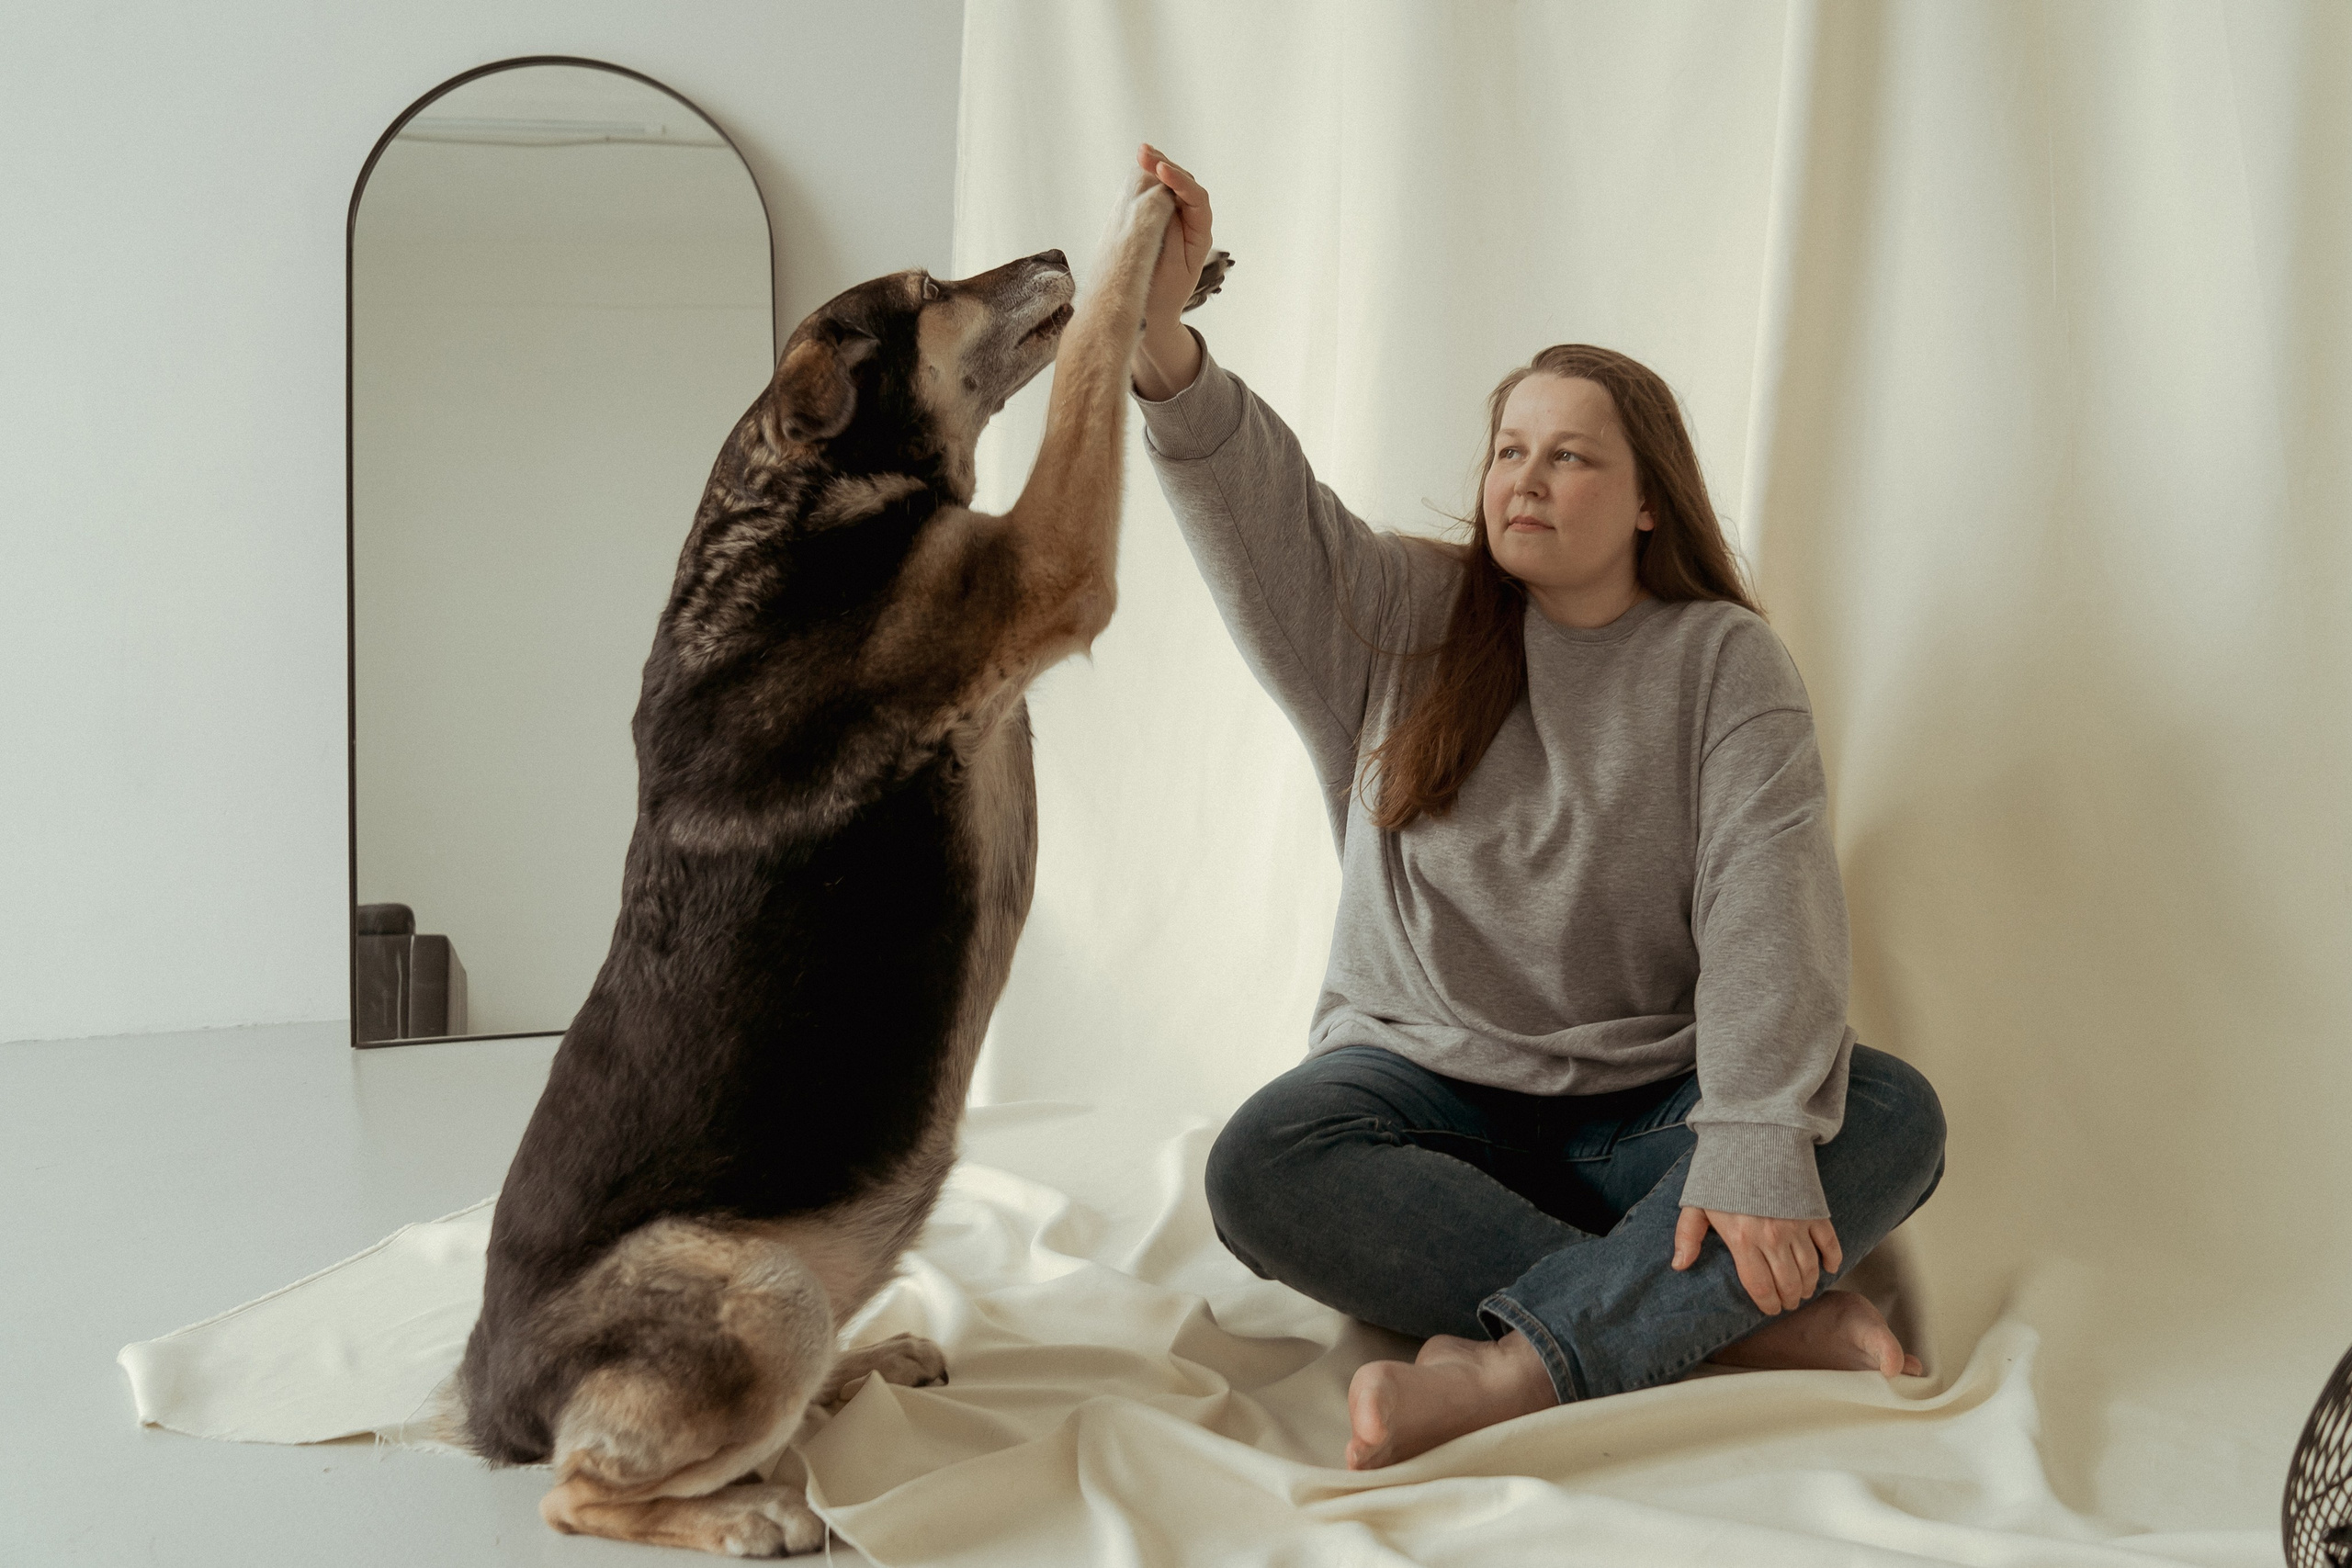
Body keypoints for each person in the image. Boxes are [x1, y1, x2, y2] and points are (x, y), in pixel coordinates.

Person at [1123, 145, 1948, 1472]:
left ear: (1642, 504)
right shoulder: (1403, 616)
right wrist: (1161, 341)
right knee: (1263, 1161)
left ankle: (1512, 1371)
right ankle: (1723, 1330)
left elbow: (1770, 911)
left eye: (1570, 458)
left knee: (1890, 1113)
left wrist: (1744, 1141)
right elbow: (1258, 513)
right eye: (1511, 449)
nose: (1526, 477)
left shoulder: (1721, 663)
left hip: (1645, 1119)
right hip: (1420, 1105)